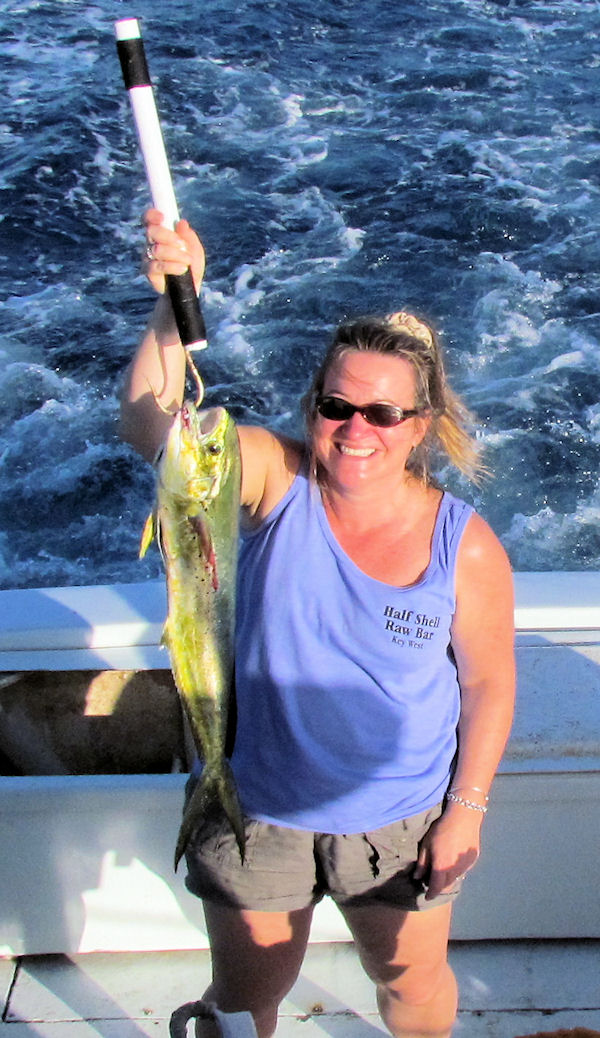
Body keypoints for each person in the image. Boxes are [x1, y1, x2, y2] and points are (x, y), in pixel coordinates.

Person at [120, 210, 516, 1038]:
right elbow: (152, 426)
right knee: (245, 993)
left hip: (400, 820)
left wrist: (466, 811)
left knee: (408, 979)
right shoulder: (270, 480)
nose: (356, 429)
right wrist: (172, 302)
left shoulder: (464, 545)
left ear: (421, 427)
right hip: (256, 805)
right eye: (338, 405)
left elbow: (485, 682)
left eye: (384, 414)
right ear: (313, 405)